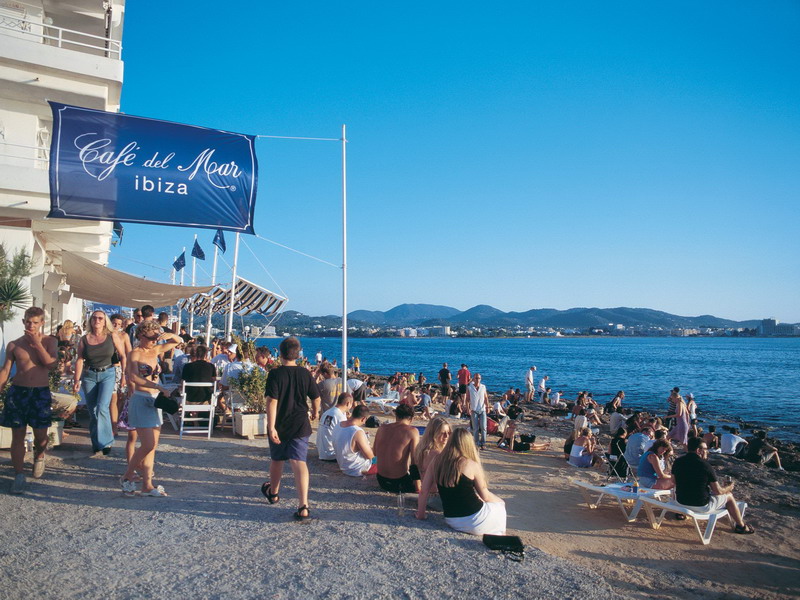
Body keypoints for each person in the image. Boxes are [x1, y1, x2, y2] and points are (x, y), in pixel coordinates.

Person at [0, 307, 59, 493]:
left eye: (35, 322)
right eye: (28, 322)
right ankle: (19, 475)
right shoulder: (14, 345)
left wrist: (37, 344)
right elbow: (5, 370)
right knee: (17, 435)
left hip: (40, 392)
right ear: (23, 321)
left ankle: (39, 456)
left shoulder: (50, 341)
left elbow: (51, 365)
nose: (31, 325)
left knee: (41, 436)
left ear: (42, 323)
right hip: (18, 392)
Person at [262, 337, 321, 521]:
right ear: (298, 354)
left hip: (280, 423)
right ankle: (303, 506)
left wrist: (271, 427)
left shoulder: (275, 374)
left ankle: (273, 493)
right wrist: (315, 412)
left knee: (277, 459)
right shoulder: (305, 373)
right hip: (300, 423)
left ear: (280, 353)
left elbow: (272, 401)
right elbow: (316, 397)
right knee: (298, 462)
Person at [120, 321, 182, 497]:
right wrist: (157, 386)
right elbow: (134, 377)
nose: (155, 340)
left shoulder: (155, 350)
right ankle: (127, 475)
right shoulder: (135, 354)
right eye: (151, 337)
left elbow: (178, 341)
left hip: (155, 400)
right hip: (141, 399)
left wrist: (169, 335)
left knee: (152, 447)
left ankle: (147, 484)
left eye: (156, 337)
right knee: (148, 444)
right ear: (141, 335)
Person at [416, 428, 506, 535]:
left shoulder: (436, 461)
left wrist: (421, 514)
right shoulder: (471, 464)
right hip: (474, 520)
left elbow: (424, 491)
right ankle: (502, 534)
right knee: (499, 506)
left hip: (452, 519)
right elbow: (485, 496)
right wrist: (500, 501)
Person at [671, 437, 754, 534]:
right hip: (701, 506)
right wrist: (728, 488)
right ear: (698, 450)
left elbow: (673, 481)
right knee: (729, 496)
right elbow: (717, 491)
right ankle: (741, 526)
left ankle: (681, 514)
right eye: (705, 449)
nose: (707, 452)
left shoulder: (678, 461)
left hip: (680, 501)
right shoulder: (705, 466)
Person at [73, 311, 127, 456]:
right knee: (93, 410)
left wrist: (124, 376)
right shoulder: (84, 339)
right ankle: (96, 442)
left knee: (102, 407)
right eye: (94, 318)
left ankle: (106, 442)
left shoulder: (112, 336)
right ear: (91, 321)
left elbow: (123, 356)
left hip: (108, 373)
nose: (97, 320)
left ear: (105, 322)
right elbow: (80, 359)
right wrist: (76, 380)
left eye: (100, 318)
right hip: (89, 375)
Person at [373, 404, 420, 493]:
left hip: (381, 480)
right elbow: (415, 460)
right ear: (411, 419)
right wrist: (417, 485)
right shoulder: (412, 431)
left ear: (396, 416)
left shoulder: (382, 428)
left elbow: (375, 452)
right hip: (399, 482)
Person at [333, 404, 376, 477]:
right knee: (387, 458)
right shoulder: (357, 432)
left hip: (343, 465)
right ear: (364, 419)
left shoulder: (339, 424)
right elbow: (370, 456)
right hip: (357, 469)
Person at [414, 416, 451, 483]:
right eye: (442, 433)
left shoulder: (422, 449)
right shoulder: (435, 454)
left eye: (448, 433)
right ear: (434, 434)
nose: (446, 436)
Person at [318, 392, 352, 461]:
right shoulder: (340, 416)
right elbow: (345, 438)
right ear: (348, 403)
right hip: (331, 454)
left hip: (322, 452)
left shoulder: (327, 412)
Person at [466, 373, 489, 451]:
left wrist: (488, 406)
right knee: (475, 428)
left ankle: (483, 443)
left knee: (483, 427)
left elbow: (486, 397)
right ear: (473, 379)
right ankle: (476, 443)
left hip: (482, 409)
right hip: (474, 409)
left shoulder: (483, 387)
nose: (477, 380)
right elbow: (467, 399)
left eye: (479, 378)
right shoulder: (470, 387)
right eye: (476, 378)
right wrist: (468, 408)